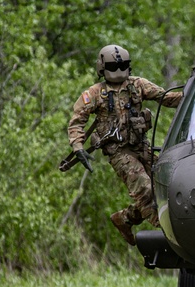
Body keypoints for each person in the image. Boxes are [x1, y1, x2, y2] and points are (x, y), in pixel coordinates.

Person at [67, 45, 183, 246]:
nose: (119, 69)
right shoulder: (95, 93)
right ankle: (170, 230)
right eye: (114, 65)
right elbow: (78, 120)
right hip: (119, 152)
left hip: (141, 147)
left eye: (123, 65)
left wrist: (193, 92)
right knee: (146, 190)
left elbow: (165, 98)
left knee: (167, 185)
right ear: (102, 67)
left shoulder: (138, 85)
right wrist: (77, 147)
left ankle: (125, 218)